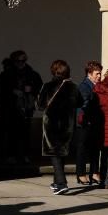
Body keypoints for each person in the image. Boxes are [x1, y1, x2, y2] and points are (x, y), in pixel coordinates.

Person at [37, 60, 80, 195]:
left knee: (54, 153)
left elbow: (40, 105)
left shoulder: (48, 86)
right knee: (61, 152)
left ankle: (61, 183)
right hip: (68, 124)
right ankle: (57, 183)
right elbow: (80, 102)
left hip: (52, 124)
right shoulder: (73, 86)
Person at [0, 50, 42, 164]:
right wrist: (12, 91)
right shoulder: (6, 74)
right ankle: (11, 155)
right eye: (18, 61)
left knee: (25, 133)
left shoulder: (32, 74)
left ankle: (25, 155)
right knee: (11, 133)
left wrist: (31, 90)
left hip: (26, 108)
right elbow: (0, 91)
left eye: (23, 60)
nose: (21, 63)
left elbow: (40, 88)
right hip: (10, 109)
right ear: (14, 61)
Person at [74, 60, 104, 186]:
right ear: (89, 74)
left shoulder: (97, 86)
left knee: (95, 148)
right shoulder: (84, 86)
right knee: (82, 148)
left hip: (95, 122)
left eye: (100, 74)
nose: (99, 76)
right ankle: (81, 174)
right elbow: (85, 105)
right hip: (85, 122)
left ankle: (94, 173)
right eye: (97, 74)